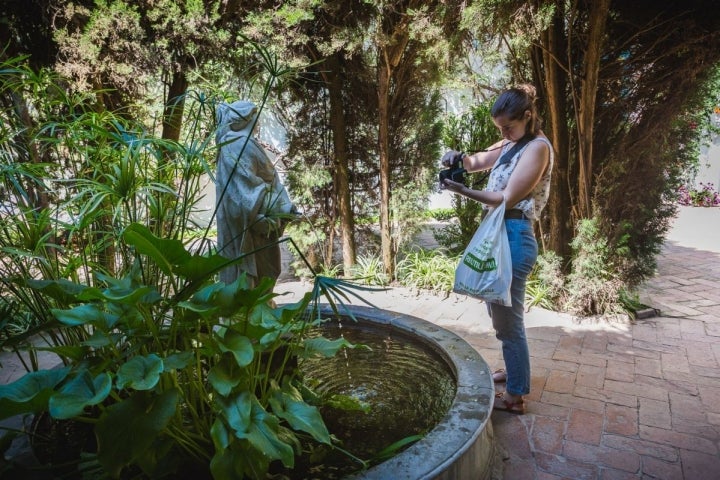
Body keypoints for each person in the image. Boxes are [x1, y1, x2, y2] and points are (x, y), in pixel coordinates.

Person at [441, 84, 554, 415]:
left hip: (514, 234)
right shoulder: (512, 142)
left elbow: (506, 198)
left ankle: (516, 395)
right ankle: (513, 371)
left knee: (509, 322)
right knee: (499, 314)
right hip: (500, 235)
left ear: (527, 117)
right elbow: (477, 162)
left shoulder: (537, 148)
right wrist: (457, 158)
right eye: (500, 129)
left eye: (508, 127)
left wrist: (462, 191)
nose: (503, 134)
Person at [215, 100, 295, 290]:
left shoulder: (229, 144)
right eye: (256, 118)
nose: (258, 124)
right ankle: (250, 311)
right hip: (252, 221)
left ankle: (245, 311)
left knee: (253, 271)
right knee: (260, 273)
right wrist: (282, 207)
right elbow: (248, 190)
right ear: (248, 119)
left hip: (241, 218)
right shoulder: (241, 145)